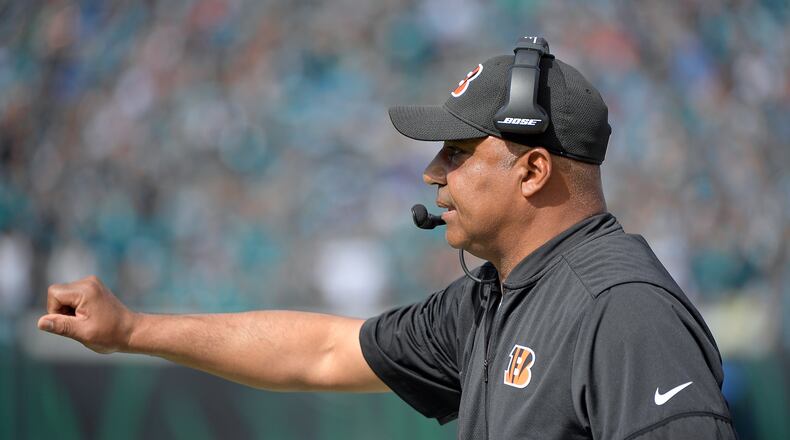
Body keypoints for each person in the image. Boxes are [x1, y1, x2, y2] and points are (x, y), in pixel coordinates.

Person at [38, 39, 737, 439]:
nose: (433, 172)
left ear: (532, 169)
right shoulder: (494, 297)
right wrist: (132, 329)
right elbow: (322, 352)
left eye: (458, 153)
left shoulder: (623, 308)